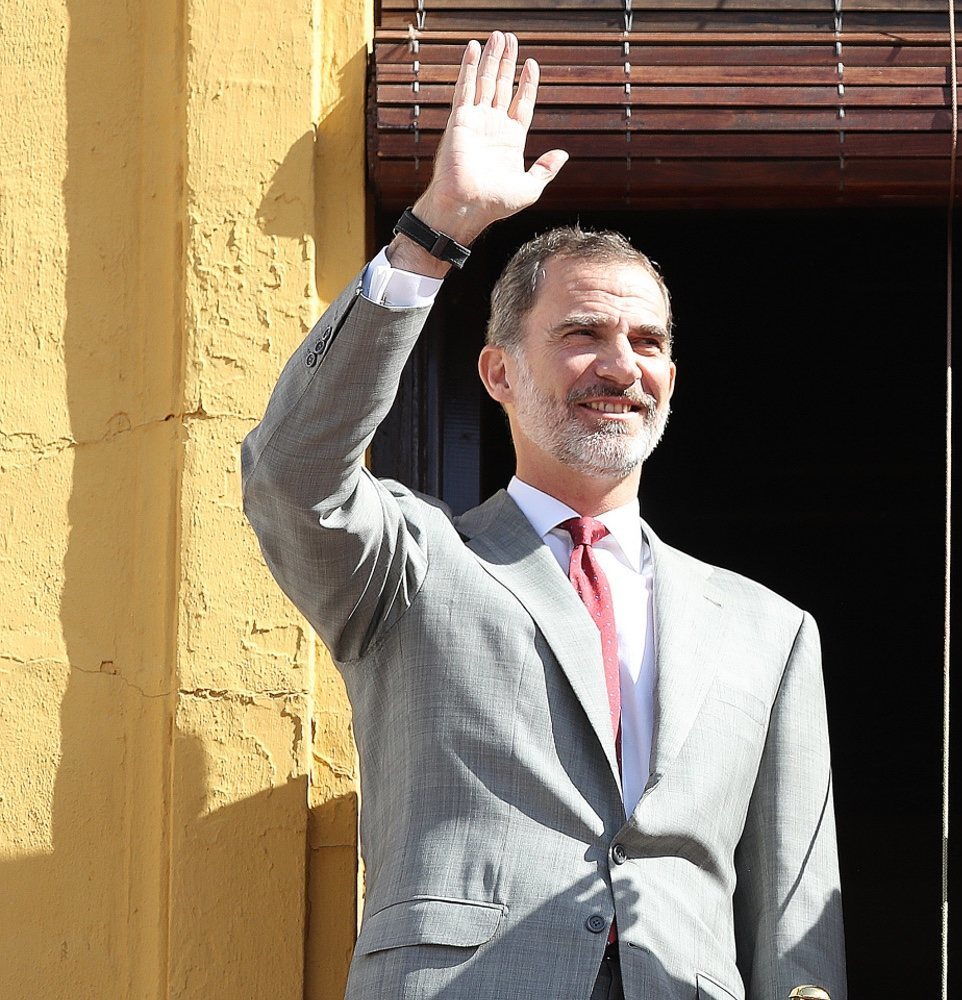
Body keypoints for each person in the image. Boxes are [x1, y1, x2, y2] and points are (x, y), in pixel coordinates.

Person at [242, 32, 843, 1000]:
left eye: (647, 341)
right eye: (581, 334)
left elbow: (794, 920)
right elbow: (290, 472)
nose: (621, 365)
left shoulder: (770, 630)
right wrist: (434, 230)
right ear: (498, 372)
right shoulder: (411, 564)